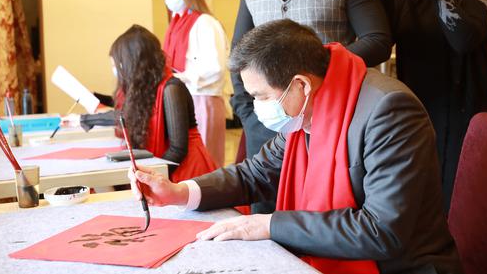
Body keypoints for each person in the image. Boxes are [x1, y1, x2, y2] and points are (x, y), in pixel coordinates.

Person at [129, 20, 462, 274]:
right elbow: (255, 173)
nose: (257, 107)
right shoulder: (306, 108)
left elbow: (382, 230)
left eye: (260, 96)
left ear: (300, 84)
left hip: (400, 267)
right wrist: (179, 192)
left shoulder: (388, 111)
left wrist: (270, 224)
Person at [232, 0, 392, 213]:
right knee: (265, 222)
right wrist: (248, 114)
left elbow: (378, 41)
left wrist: (318, 62)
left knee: (321, 216)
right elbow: (239, 54)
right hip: (267, 128)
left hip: (329, 120)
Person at [379, 0, 487, 211]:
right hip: (419, 114)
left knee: (465, 207)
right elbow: (382, 41)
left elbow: (463, 39)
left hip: (469, 115)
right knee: (420, 204)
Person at [78, 24, 217, 182]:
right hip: (167, 166)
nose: (117, 70)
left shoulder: (172, 88)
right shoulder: (148, 86)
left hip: (187, 170)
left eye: (118, 64)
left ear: (133, 62)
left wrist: (151, 177)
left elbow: (178, 149)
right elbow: (129, 110)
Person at [162, 0, 229, 168]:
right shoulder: (175, 23)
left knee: (207, 160)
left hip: (203, 97)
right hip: (182, 97)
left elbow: (216, 67)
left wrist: (181, 78)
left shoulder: (206, 23)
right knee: (189, 161)